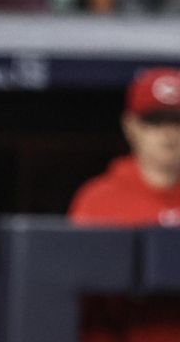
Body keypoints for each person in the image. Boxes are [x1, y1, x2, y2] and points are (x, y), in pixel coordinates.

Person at [69, 67, 180, 342]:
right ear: (130, 125)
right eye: (154, 121)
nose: (168, 134)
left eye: (177, 121)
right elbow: (81, 296)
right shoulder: (98, 199)